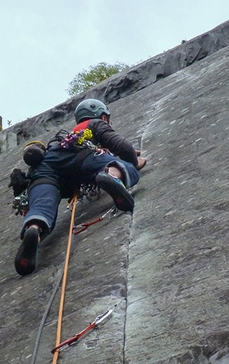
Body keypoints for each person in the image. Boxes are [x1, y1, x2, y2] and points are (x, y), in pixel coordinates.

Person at [14, 98, 146, 276]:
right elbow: (121, 145)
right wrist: (132, 160)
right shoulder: (93, 124)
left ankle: (34, 230)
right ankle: (111, 176)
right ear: (103, 117)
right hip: (80, 157)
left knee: (42, 205)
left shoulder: (57, 143)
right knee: (125, 167)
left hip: (45, 170)